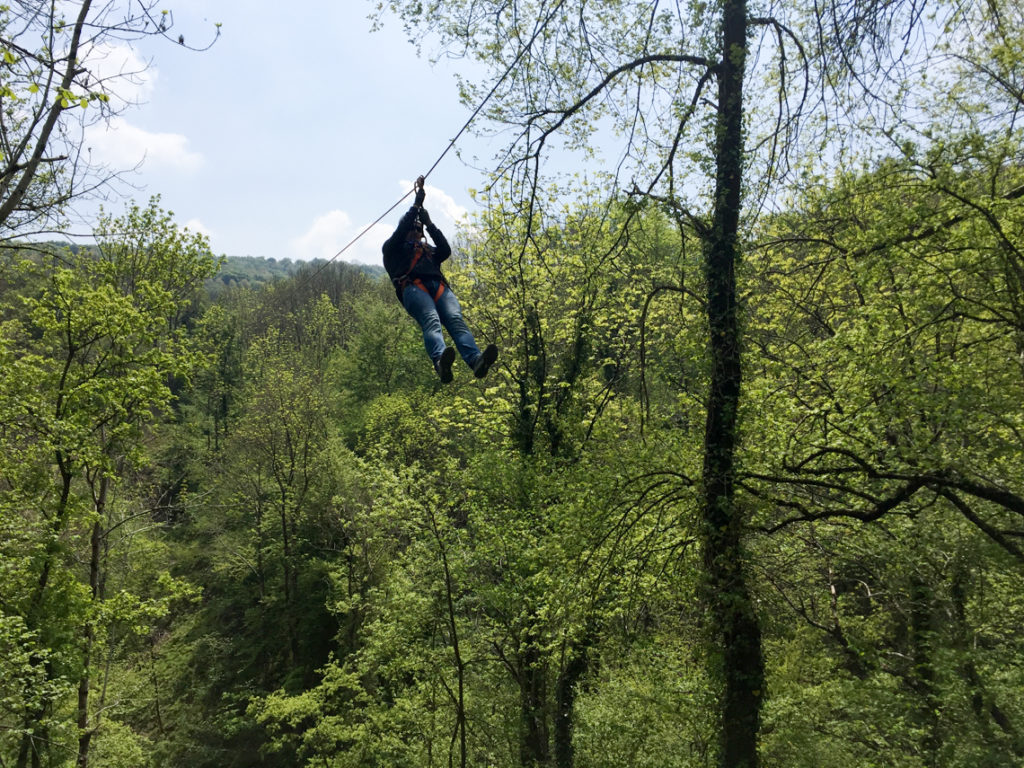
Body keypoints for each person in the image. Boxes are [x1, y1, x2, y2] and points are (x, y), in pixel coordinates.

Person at [382, 176, 498, 383]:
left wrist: (429, 223)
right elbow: (400, 232)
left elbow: (445, 249)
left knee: (456, 322)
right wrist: (416, 204)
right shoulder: (392, 249)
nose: (417, 233)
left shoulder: (429, 251)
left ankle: (476, 360)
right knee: (432, 321)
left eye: (420, 230)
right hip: (413, 288)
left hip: (439, 288)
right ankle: (439, 361)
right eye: (414, 229)